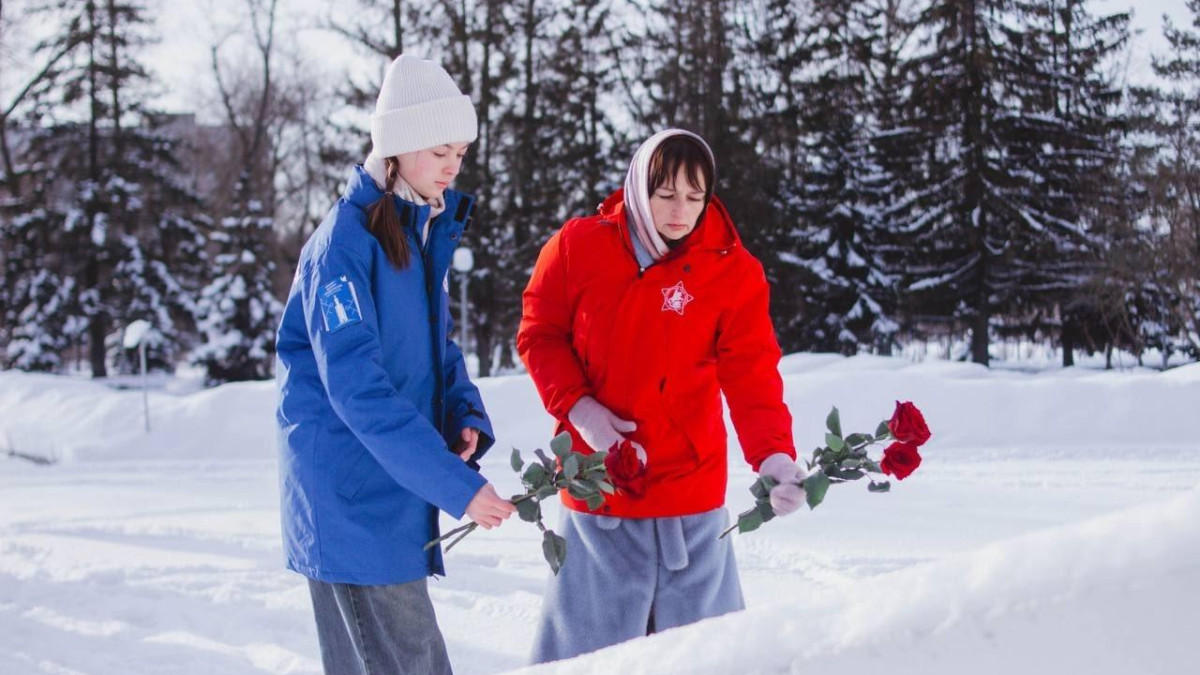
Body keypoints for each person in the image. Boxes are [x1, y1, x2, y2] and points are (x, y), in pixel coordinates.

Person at [517, 129, 807, 663]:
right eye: (666, 194)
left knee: (706, 662)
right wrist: (580, 409)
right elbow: (539, 334)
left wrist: (774, 456)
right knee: (586, 663)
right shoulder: (577, 246)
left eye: (695, 197)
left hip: (690, 501)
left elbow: (752, 374)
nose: (681, 212)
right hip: (598, 491)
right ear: (638, 186)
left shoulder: (732, 270)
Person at [275, 54, 515, 675]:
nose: (453, 165)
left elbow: (436, 346)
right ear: (399, 147)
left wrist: (463, 413)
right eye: (440, 150)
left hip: (392, 489)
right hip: (351, 499)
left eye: (461, 152)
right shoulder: (342, 247)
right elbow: (358, 390)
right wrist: (458, 487)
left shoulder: (414, 232)